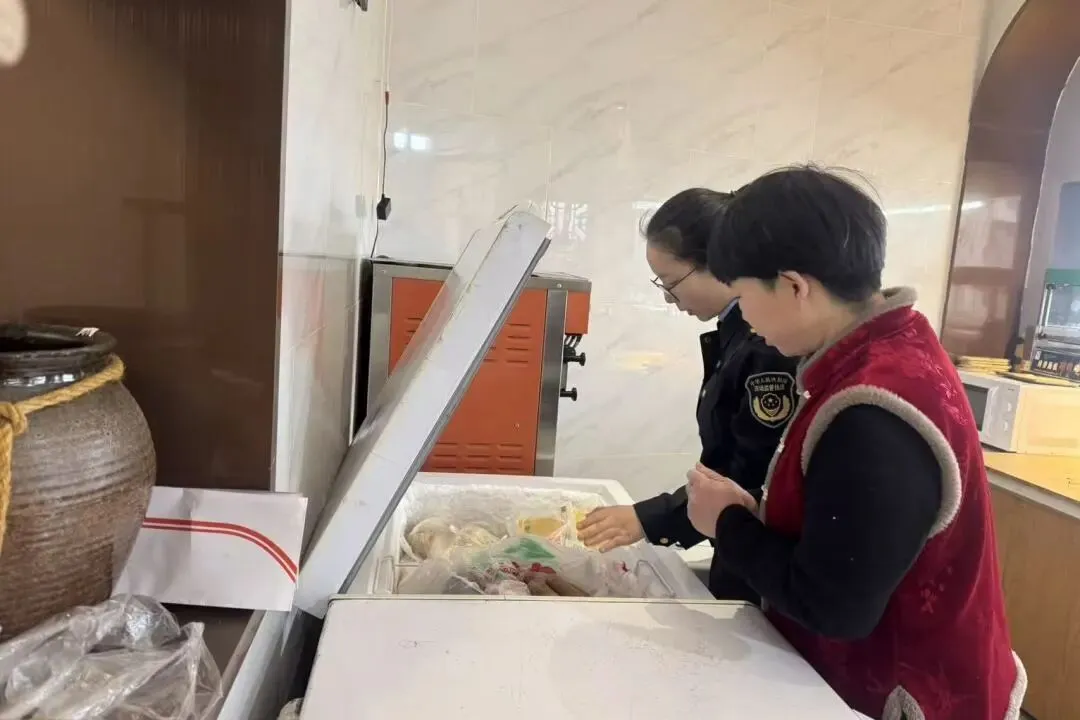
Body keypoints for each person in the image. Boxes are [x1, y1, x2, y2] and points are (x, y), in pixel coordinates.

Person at [685, 166, 1024, 719]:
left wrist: (727, 524)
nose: (743, 316)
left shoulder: (872, 409)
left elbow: (835, 606)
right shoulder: (891, 346)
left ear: (794, 286)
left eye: (742, 295)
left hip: (906, 696)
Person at [576, 188, 797, 601]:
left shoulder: (768, 346)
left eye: (671, 282)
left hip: (760, 560)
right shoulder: (734, 335)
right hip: (736, 545)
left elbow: (753, 472)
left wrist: (653, 518)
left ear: (719, 263)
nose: (667, 297)